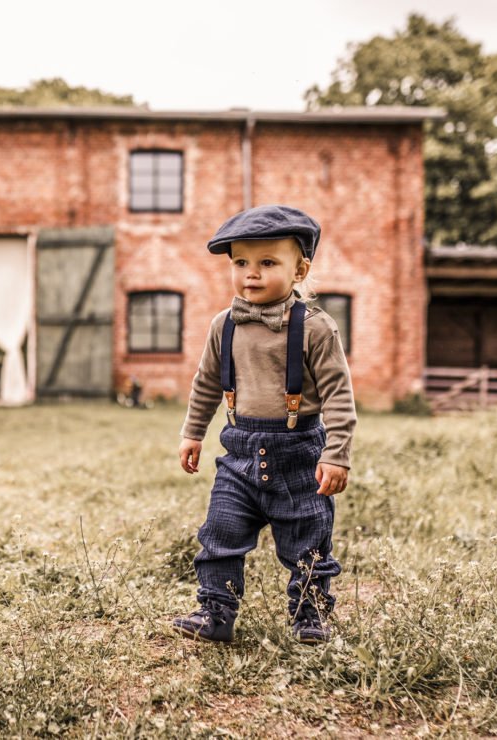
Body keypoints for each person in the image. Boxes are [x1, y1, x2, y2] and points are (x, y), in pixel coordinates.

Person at [172, 204, 356, 645]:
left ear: (300, 270)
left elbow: (338, 395)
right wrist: (192, 432)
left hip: (299, 454)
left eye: (267, 263)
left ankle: (310, 614)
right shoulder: (224, 326)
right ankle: (216, 611)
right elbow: (205, 383)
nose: (250, 274)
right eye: (240, 263)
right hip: (239, 454)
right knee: (220, 534)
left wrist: (337, 454)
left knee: (308, 542)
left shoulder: (316, 329)